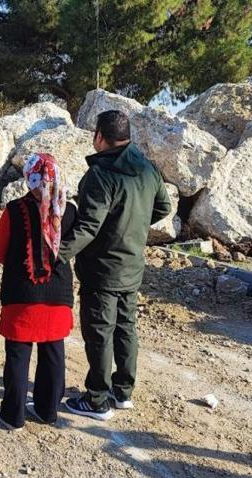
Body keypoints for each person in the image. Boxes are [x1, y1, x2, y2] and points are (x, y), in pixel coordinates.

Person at [58, 110, 172, 421]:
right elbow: (164, 206)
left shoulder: (100, 174)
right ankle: (122, 392)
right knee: (126, 328)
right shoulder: (148, 170)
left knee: (99, 332)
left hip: (102, 269)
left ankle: (96, 399)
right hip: (132, 266)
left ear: (99, 137)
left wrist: (57, 254)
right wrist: (133, 223)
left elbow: (88, 227)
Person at [0, 153, 77, 431]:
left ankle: (12, 416)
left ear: (30, 177)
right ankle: (47, 411)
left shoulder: (15, 209)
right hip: (57, 296)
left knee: (18, 355)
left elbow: (0, 249)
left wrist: (21, 264)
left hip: (22, 294)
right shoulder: (71, 211)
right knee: (54, 353)